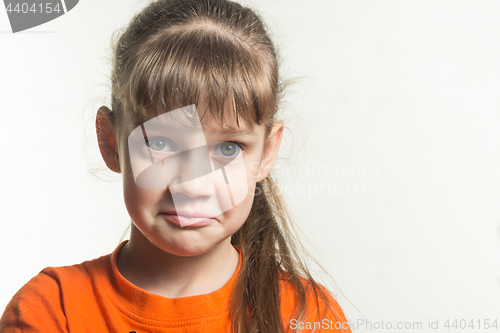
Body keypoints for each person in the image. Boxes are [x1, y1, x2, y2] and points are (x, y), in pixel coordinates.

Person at [0, 0, 351, 332]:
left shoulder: (307, 316)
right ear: (111, 143)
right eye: (161, 143)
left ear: (267, 153)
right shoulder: (52, 310)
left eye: (228, 148)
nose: (193, 186)